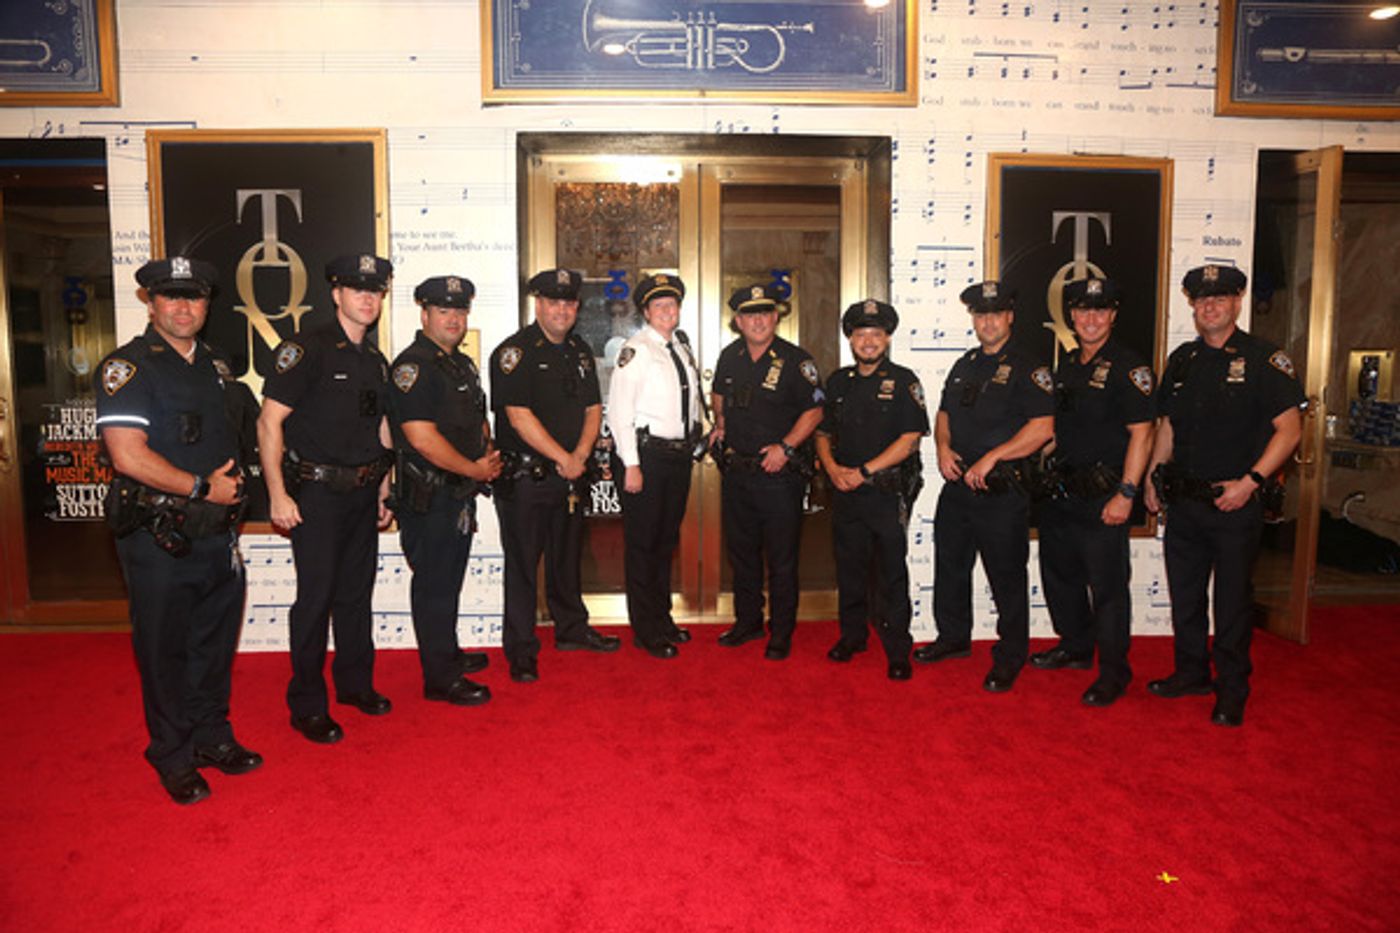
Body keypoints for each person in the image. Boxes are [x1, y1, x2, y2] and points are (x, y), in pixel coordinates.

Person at [96, 256, 257, 805]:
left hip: (215, 534)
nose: (183, 307)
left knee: (212, 645)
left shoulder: (215, 366)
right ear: (150, 302)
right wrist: (199, 488)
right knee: (165, 651)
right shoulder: (129, 368)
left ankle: (212, 737)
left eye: (194, 297)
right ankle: (171, 753)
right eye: (171, 296)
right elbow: (126, 455)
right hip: (159, 537)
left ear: (207, 305)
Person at [1144, 264, 1303, 727]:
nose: (1209, 306)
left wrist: (1251, 482)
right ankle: (1191, 672)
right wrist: (1156, 477)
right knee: (1186, 597)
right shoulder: (1183, 360)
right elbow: (1168, 426)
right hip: (1185, 503)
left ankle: (1232, 689)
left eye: (1220, 298)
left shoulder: (1265, 360)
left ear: (1237, 302)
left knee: (1232, 603)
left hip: (1235, 504)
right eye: (1200, 299)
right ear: (1192, 306)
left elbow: (1289, 431)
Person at [258, 253, 396, 744]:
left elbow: (378, 425)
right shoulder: (307, 348)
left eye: (375, 290)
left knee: (356, 597)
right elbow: (268, 421)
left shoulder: (375, 359)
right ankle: (308, 704)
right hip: (315, 496)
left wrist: (383, 486)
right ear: (336, 294)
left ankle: (355, 685)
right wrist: (277, 494)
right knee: (315, 601)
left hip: (362, 493)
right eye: (357, 289)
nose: (367, 298)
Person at [914, 281, 1054, 692]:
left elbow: (1043, 428)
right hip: (958, 487)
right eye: (980, 314)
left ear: (1010, 316)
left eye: (995, 314)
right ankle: (953, 638)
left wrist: (994, 456)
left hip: (1001, 491)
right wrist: (942, 447)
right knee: (951, 568)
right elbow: (944, 413)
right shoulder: (966, 364)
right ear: (973, 319)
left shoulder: (1030, 367)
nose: (987, 321)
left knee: (1006, 577)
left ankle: (1011, 655)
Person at [490, 268, 620, 683]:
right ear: (538, 305)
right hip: (528, 480)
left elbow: (592, 408)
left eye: (568, 303)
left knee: (567, 559)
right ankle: (522, 649)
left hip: (570, 475)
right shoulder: (515, 352)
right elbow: (517, 416)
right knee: (524, 566)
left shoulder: (580, 350)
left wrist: (579, 455)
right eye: (553, 302)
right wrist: (563, 456)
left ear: (577, 307)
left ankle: (571, 629)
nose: (562, 310)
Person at [1030, 277, 1154, 706]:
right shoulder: (1067, 364)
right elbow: (1060, 430)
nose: (1090, 318)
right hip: (1063, 492)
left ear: (1113, 315)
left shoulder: (1128, 366)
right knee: (1060, 577)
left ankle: (1114, 672)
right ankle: (1076, 647)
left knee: (1107, 589)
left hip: (1105, 495)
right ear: (1072, 316)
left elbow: (1143, 434)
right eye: (1082, 311)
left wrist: (1126, 492)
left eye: (1100, 311)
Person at [388, 275, 500, 706]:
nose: (454, 319)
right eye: (443, 311)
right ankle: (440, 678)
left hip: (458, 492)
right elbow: (420, 437)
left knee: (448, 581)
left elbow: (475, 418)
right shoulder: (413, 366)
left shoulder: (459, 363)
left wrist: (485, 453)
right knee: (434, 585)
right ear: (425, 314)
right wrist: (473, 466)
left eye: (460, 311)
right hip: (430, 497)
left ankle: (446, 654)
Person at [815, 299, 929, 680]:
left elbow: (909, 439)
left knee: (891, 574)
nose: (868, 341)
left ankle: (898, 649)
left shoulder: (904, 381)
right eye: (861, 333)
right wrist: (832, 469)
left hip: (884, 493)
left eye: (876, 334)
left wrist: (863, 472)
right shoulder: (838, 382)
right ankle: (853, 636)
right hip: (845, 491)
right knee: (849, 569)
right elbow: (823, 432)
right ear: (850, 338)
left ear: (888, 338)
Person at [710, 282, 825, 660]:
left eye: (764, 313)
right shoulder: (730, 357)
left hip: (779, 477)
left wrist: (787, 447)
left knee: (781, 557)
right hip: (738, 474)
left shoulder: (796, 360)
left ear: (775, 317)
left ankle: (782, 630)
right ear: (738, 320)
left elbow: (814, 411)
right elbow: (719, 395)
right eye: (749, 314)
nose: (757, 320)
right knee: (741, 554)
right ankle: (748, 622)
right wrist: (721, 425)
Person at [605, 273, 702, 659]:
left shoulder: (679, 345)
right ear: (646, 312)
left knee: (665, 543)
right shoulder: (637, 349)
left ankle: (662, 619)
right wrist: (631, 463)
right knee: (643, 545)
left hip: (676, 457)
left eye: (672, 304)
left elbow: (688, 401)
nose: (667, 311)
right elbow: (620, 412)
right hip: (645, 457)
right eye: (658, 306)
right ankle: (646, 630)